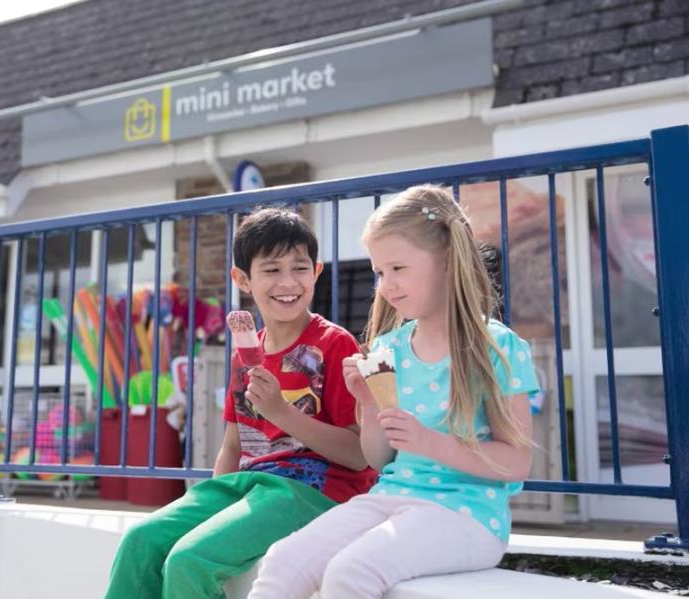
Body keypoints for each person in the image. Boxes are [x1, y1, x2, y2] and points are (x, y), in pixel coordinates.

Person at [249, 186, 539, 598]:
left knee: (350, 573)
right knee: (282, 563)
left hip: (468, 516)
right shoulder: (388, 349)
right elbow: (380, 458)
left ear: (445, 261)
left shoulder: (496, 347)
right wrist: (367, 405)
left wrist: (431, 442)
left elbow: (517, 462)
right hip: (390, 498)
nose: (386, 285)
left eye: (398, 268)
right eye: (380, 272)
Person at [105, 207, 374, 599]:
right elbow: (234, 445)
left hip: (314, 491)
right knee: (140, 542)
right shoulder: (242, 359)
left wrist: (281, 412)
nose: (288, 282)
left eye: (299, 268)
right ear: (242, 279)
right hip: (247, 485)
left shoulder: (334, 344)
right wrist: (213, 506)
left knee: (189, 560)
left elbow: (358, 455)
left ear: (316, 272)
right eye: (271, 269)